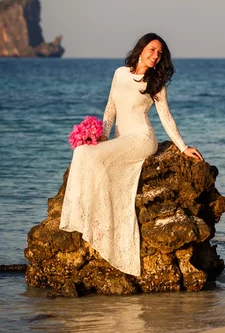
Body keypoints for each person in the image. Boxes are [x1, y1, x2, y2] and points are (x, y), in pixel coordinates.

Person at [59, 33, 204, 276]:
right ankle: (84, 214)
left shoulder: (155, 82)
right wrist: (102, 135)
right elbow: (110, 107)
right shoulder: (120, 73)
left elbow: (165, 117)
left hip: (142, 138)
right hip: (121, 137)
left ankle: (99, 224)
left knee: (93, 158)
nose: (155, 55)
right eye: (152, 49)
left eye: (159, 53)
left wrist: (182, 146)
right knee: (83, 151)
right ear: (141, 49)